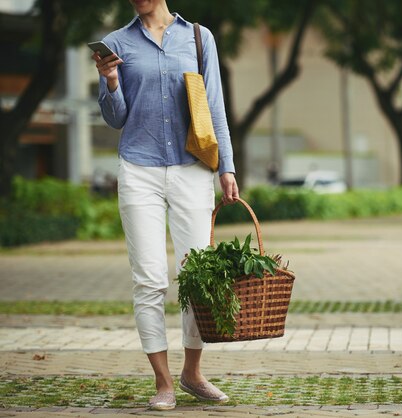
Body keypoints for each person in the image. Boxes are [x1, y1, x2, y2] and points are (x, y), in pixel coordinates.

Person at [92, 0, 239, 411]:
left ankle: (193, 372)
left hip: (192, 168)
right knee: (150, 279)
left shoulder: (197, 36)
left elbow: (214, 105)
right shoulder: (116, 42)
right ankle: (163, 382)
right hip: (138, 168)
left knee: (197, 275)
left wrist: (226, 166)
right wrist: (110, 81)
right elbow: (115, 118)